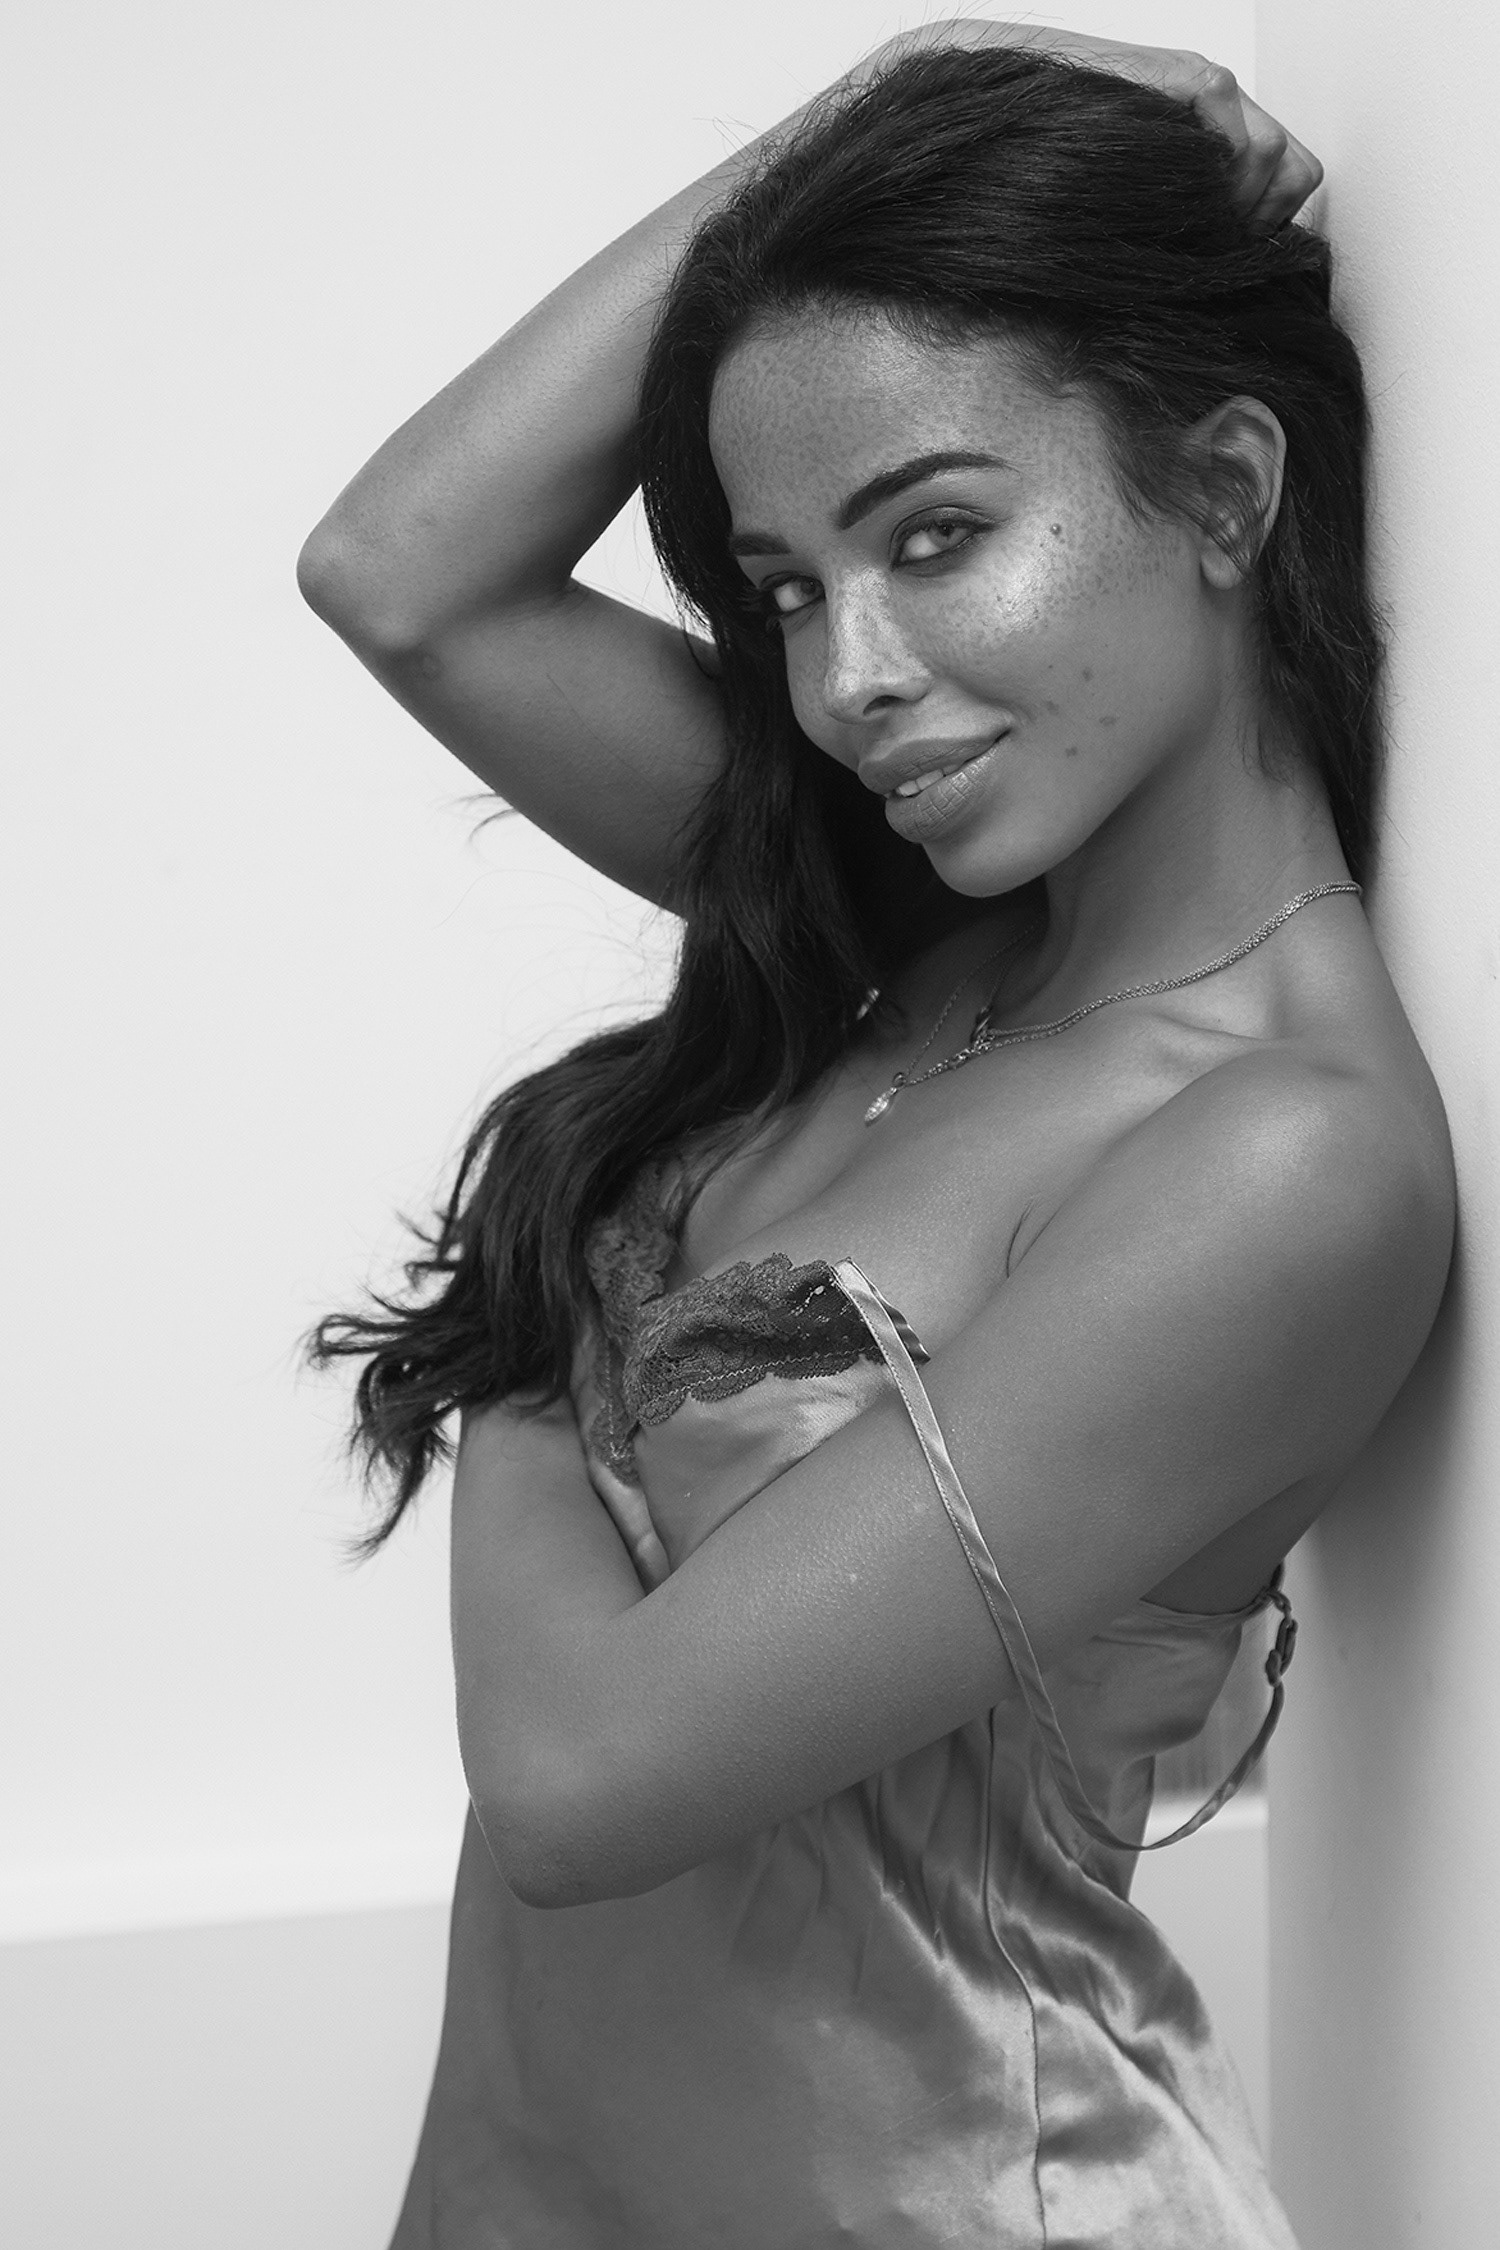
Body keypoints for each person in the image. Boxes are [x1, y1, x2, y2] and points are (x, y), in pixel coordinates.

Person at [299, 20, 1454, 2247]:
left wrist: (546, 1313)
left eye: (940, 536)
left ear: (1226, 494)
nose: (850, 681)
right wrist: (881, 105)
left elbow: (580, 1782)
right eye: (791, 587)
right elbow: (399, 571)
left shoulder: (1279, 1157)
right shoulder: (916, 928)